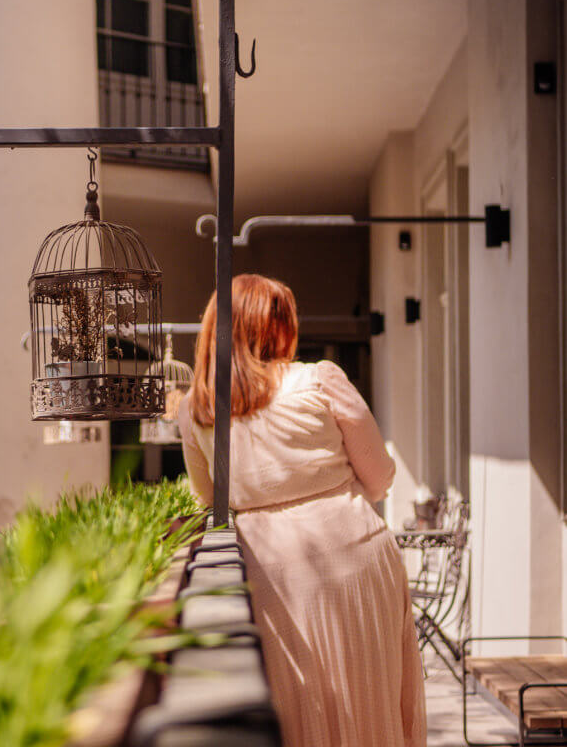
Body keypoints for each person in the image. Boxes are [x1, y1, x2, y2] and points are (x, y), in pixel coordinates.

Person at [177, 274, 426, 747]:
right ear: (278, 327)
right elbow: (380, 476)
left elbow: (209, 500)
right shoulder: (319, 379)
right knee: (369, 701)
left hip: (266, 575)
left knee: (296, 714)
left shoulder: (199, 410)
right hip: (354, 559)